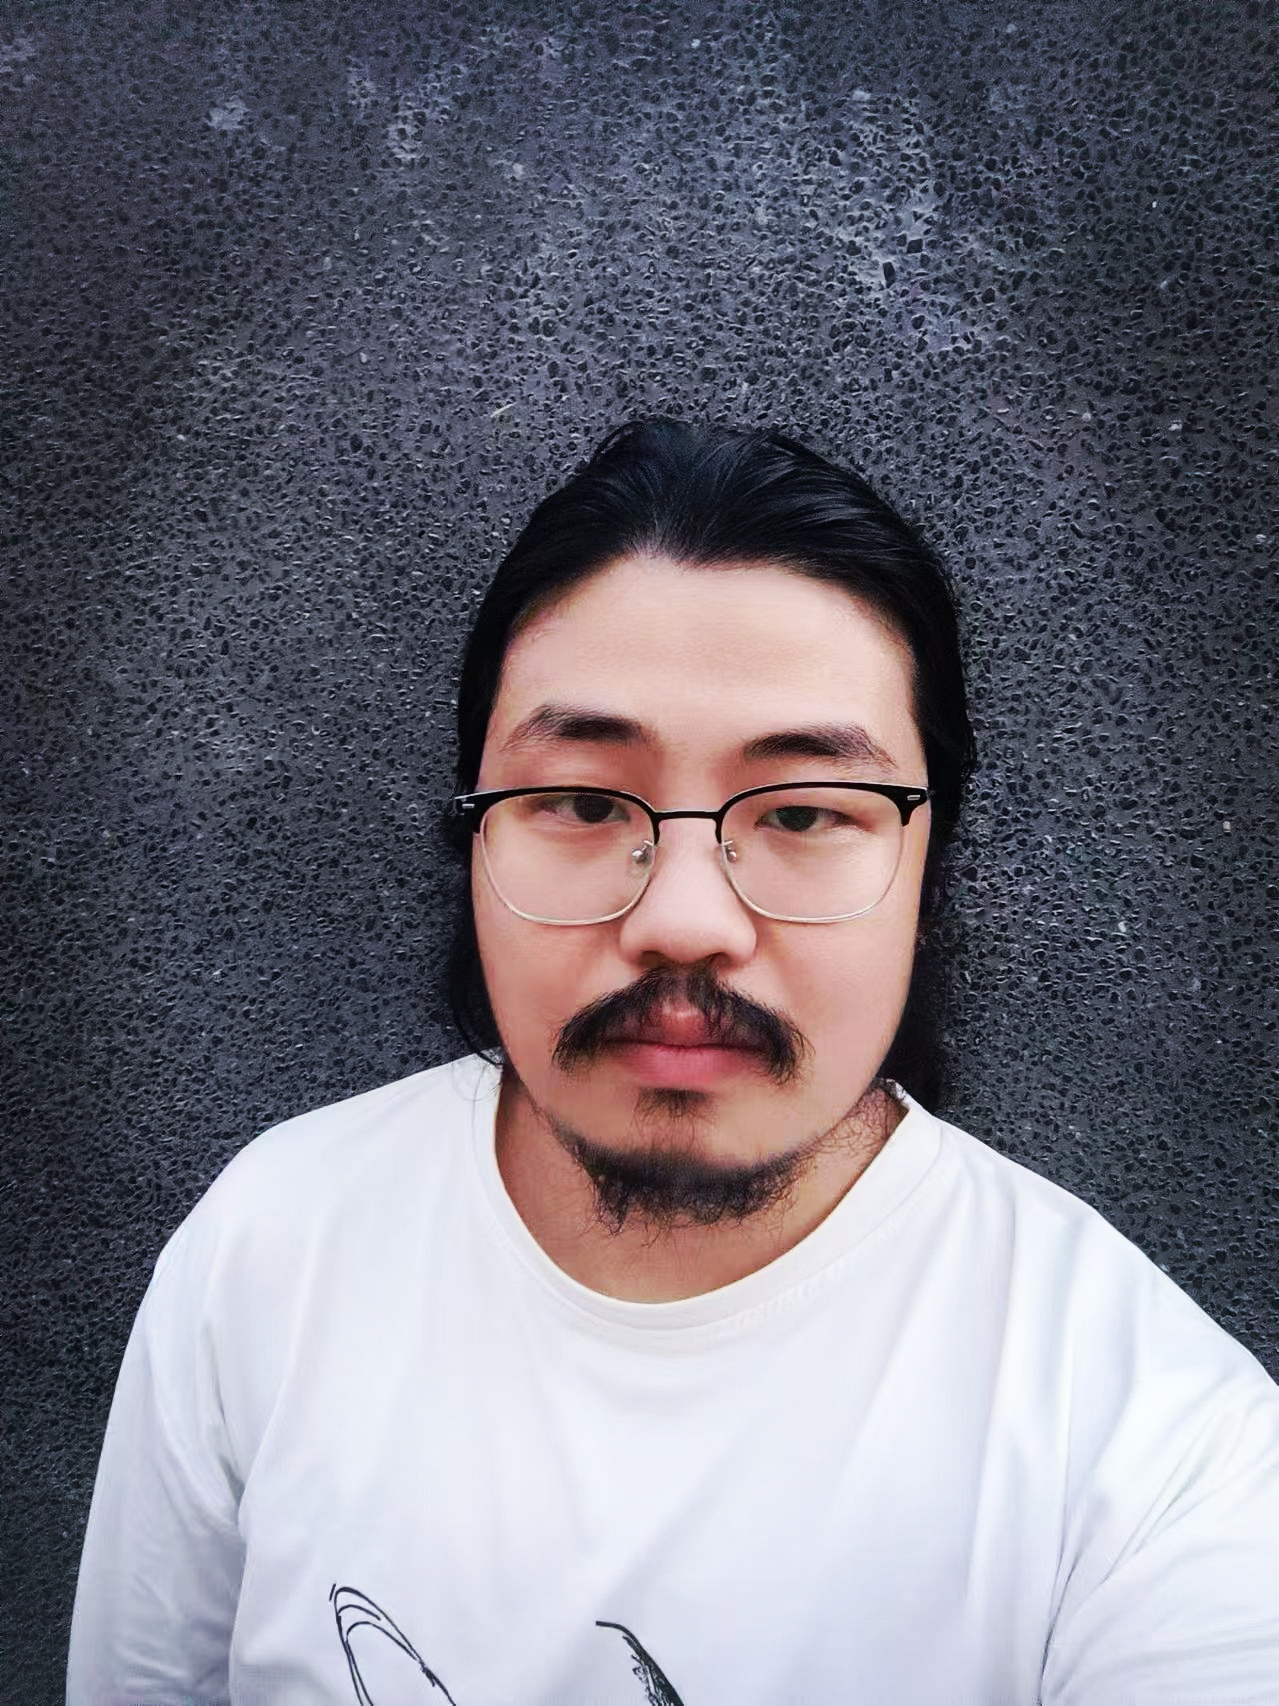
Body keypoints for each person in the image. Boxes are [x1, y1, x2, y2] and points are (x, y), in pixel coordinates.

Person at [68, 419, 1279, 1705]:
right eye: (584, 803)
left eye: (805, 811)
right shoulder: (273, 1245)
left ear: (929, 873)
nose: (685, 919)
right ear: (472, 843)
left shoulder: (1150, 1450)